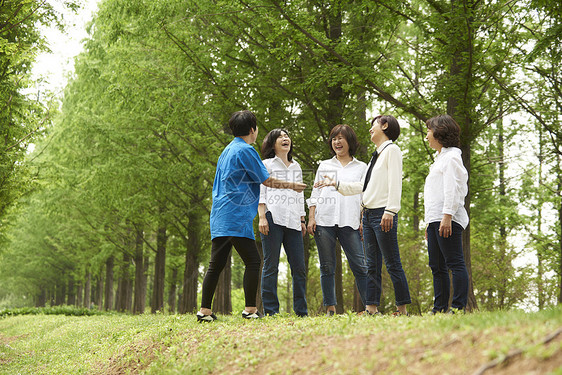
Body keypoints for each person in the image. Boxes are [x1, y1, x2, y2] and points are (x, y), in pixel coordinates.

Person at [197, 110, 306, 322]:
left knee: (216, 264)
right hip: (236, 216)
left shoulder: (226, 151)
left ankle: (205, 311)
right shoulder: (246, 150)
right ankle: (250, 310)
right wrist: (292, 186)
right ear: (252, 130)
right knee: (254, 262)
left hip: (220, 215)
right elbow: (267, 180)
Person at [315, 115, 411, 316]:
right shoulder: (377, 155)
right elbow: (364, 187)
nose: (370, 130)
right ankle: (371, 309)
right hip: (368, 215)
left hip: (382, 213)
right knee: (372, 265)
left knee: (392, 262)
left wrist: (391, 210)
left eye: (373, 125)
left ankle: (401, 308)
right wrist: (336, 184)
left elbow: (395, 183)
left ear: (384, 126)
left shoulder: (391, 150)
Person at [307, 124, 368, 316]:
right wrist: (311, 217)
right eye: (334, 138)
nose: (337, 142)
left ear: (350, 141)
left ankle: (370, 307)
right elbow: (315, 191)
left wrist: (362, 220)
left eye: (341, 138)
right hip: (324, 220)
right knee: (327, 266)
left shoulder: (361, 167)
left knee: (360, 265)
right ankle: (330, 308)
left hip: (350, 222)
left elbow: (364, 194)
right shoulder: (325, 165)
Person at [258, 129, 308, 317]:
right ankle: (271, 311)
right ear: (272, 143)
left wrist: (302, 219)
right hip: (273, 216)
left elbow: (299, 193)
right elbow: (261, 192)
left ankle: (301, 311)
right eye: (280, 136)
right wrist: (262, 216)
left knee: (299, 268)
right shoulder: (266, 164)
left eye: (287, 136)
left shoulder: (296, 166)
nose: (285, 138)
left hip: (294, 220)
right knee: (271, 266)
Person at [424, 114, 469, 314]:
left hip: (447, 217)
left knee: (454, 262)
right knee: (436, 265)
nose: (426, 135)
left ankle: (458, 307)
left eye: (429, 130)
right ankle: (439, 308)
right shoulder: (440, 158)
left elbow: (453, 189)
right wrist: (429, 223)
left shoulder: (452, 157)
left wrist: (447, 216)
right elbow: (435, 193)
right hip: (435, 218)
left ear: (440, 132)